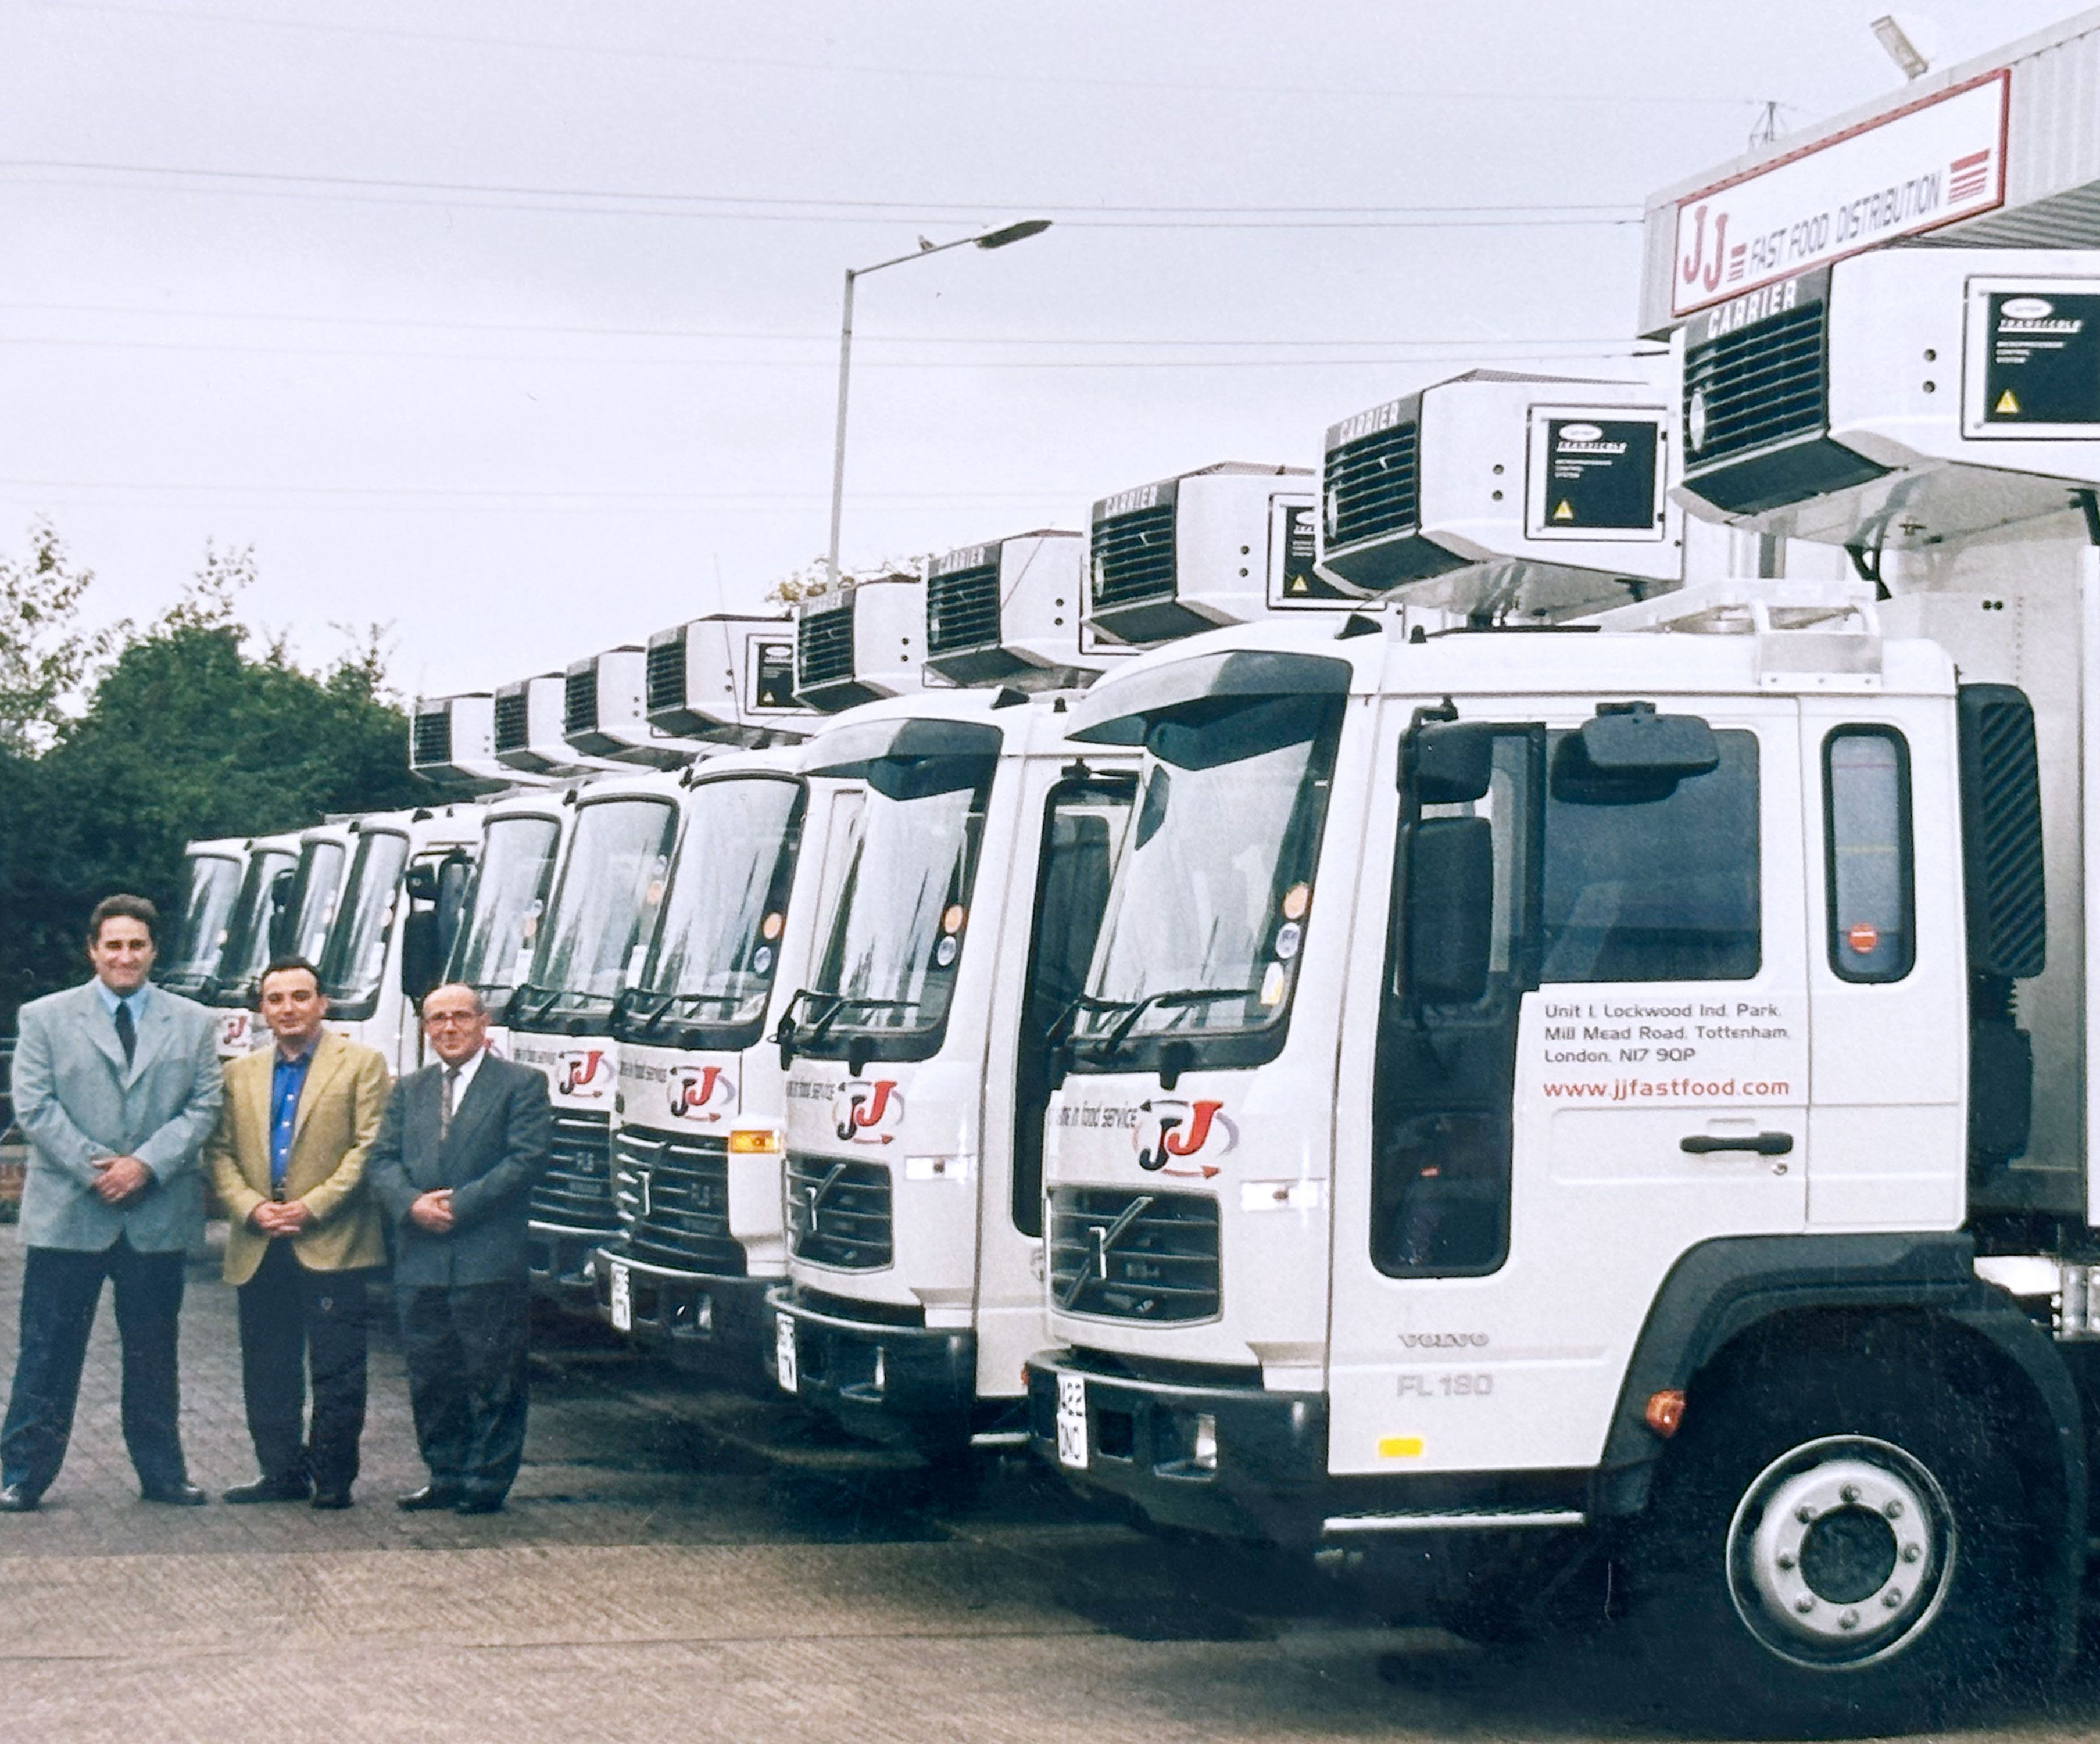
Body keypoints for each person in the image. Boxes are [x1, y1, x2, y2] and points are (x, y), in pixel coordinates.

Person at [1, 894, 223, 1511]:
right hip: (71, 1210)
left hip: (154, 1213)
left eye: (137, 945)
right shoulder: (44, 1017)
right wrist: (97, 1168)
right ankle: (21, 1472)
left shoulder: (193, 1021)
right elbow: (35, 1106)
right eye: (114, 945)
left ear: (153, 951)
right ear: (93, 950)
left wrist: (144, 1166)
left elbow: (204, 1106)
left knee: (154, 1353)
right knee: (47, 1352)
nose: (125, 956)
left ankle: (162, 1474)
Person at [205, 957, 391, 1509]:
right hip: (259, 1239)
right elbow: (218, 1152)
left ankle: (333, 1478)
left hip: (332, 1239)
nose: (288, 1008)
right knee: (267, 1366)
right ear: (263, 1009)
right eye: (276, 999)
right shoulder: (239, 1074)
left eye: (300, 997)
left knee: (337, 1370)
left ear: (322, 1003)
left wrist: (311, 1207)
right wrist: (251, 1207)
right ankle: (280, 1472)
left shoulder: (361, 1064)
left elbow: (369, 1148)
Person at [366, 983, 550, 1514]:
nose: (448, 1028)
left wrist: (459, 1206)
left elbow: (525, 1160)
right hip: (421, 1257)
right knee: (431, 1374)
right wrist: (411, 1204)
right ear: (425, 1027)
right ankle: (444, 1473)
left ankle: (486, 1482)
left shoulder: (522, 1084)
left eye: (459, 1017)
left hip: (486, 1256)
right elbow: (380, 1160)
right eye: (436, 1019)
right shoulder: (410, 1090)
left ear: (482, 1022)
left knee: (494, 1375)